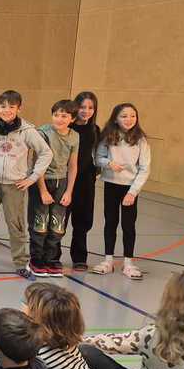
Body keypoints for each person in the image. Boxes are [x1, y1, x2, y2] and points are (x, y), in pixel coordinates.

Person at [0, 90, 53, 279]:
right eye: (3, 106)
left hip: (15, 186)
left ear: (19, 109)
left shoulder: (27, 131)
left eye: (12, 107)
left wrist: (32, 177)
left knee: (16, 226)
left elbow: (46, 153)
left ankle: (21, 264)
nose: (7, 110)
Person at [92, 103, 151, 280]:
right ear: (116, 119)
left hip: (130, 188)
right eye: (124, 116)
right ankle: (108, 261)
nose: (129, 119)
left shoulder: (141, 140)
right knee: (110, 222)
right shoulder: (108, 137)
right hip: (111, 185)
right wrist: (109, 163)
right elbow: (98, 158)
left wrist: (133, 192)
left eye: (132, 116)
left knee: (128, 225)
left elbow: (145, 168)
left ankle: (128, 263)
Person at [28, 100, 79, 277]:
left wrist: (69, 191)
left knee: (58, 224)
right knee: (40, 222)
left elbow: (72, 165)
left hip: (61, 182)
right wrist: (42, 190)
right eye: (56, 115)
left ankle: (50, 258)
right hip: (42, 181)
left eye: (64, 116)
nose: (59, 119)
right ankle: (36, 259)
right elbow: (37, 163)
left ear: (72, 119)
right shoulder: (43, 133)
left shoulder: (74, 136)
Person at [66, 91, 101, 270]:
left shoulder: (95, 130)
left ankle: (79, 257)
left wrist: (97, 171)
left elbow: (98, 153)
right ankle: (52, 256)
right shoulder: (67, 127)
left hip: (86, 182)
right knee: (60, 219)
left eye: (90, 107)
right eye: (82, 107)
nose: (86, 111)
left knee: (82, 221)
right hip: (66, 180)